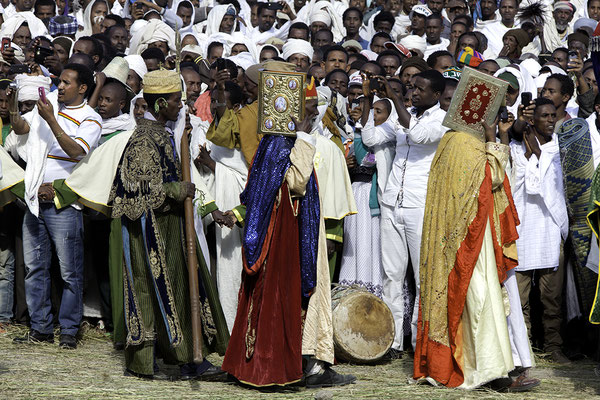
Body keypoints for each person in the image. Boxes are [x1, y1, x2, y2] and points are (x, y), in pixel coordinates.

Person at [220, 74, 356, 388]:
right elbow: (295, 182)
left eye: (314, 109)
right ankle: (290, 365)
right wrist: (306, 138)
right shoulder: (283, 141)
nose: (314, 115)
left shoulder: (273, 140)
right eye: (308, 110)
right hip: (284, 235)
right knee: (287, 295)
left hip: (286, 229)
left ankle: (295, 361)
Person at [107, 69, 229, 379]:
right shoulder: (144, 138)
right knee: (150, 290)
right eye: (176, 101)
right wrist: (176, 189)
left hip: (169, 226)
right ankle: (146, 364)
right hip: (150, 232)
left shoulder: (162, 131)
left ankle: (186, 356)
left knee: (180, 289)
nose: (181, 105)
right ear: (161, 104)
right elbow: (133, 187)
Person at [413, 106, 536, 390]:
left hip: (462, 238)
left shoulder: (450, 141)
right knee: (482, 300)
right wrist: (494, 138)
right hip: (470, 241)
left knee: (475, 301)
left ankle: (488, 369)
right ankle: (489, 373)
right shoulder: (467, 144)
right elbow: (491, 179)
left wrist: (498, 139)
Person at [12, 64, 102, 349]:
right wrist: (13, 104)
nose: (59, 87)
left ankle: (68, 331)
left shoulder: (91, 118)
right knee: (35, 268)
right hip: (35, 198)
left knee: (69, 271)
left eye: (65, 82)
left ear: (83, 88)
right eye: (58, 82)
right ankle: (40, 328)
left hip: (64, 204)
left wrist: (51, 119)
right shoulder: (47, 103)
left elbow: (76, 151)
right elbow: (21, 128)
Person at [361, 70, 447, 358]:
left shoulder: (441, 119)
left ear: (436, 95)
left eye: (421, 89)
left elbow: (419, 135)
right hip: (392, 203)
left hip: (420, 205)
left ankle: (420, 343)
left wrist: (394, 97)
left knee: (423, 280)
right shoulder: (401, 114)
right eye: (413, 88)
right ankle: (393, 342)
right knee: (391, 276)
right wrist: (368, 98)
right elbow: (371, 137)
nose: (415, 93)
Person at [509, 97, 570, 364]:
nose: (550, 120)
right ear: (532, 120)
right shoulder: (514, 148)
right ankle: (522, 349)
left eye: (552, 116)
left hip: (550, 227)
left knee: (551, 297)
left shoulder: (559, 149)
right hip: (523, 227)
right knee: (519, 297)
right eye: (544, 116)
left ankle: (554, 346)